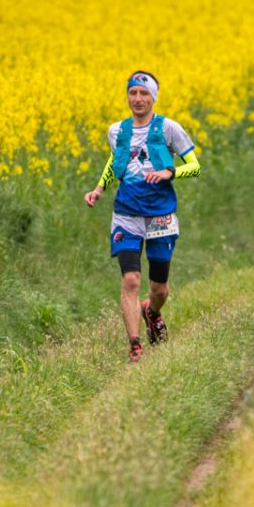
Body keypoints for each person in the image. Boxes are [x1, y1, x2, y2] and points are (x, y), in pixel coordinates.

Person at [84, 70, 201, 363]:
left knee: (159, 288)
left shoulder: (169, 128)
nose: (137, 99)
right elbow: (116, 159)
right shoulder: (117, 131)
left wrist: (169, 171)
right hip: (126, 214)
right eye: (133, 93)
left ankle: (152, 311)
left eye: (143, 93)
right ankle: (135, 345)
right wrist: (100, 188)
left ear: (153, 98)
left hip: (161, 214)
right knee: (131, 280)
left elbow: (195, 166)